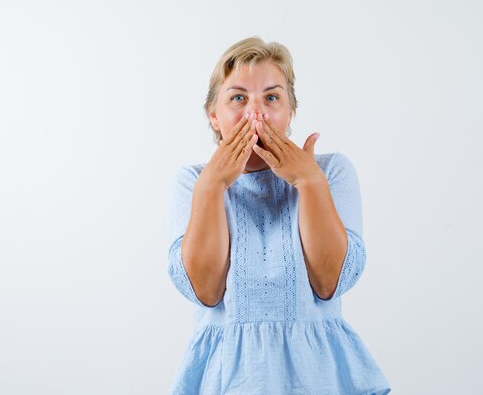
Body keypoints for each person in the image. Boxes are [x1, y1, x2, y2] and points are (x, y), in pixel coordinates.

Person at [167, 36, 392, 395]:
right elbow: (205, 292)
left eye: (271, 97)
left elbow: (331, 283)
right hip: (229, 378)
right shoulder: (193, 182)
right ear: (214, 115)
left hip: (318, 377)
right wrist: (212, 187)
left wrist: (309, 181)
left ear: (290, 113)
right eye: (238, 98)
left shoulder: (331, 171)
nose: (256, 114)